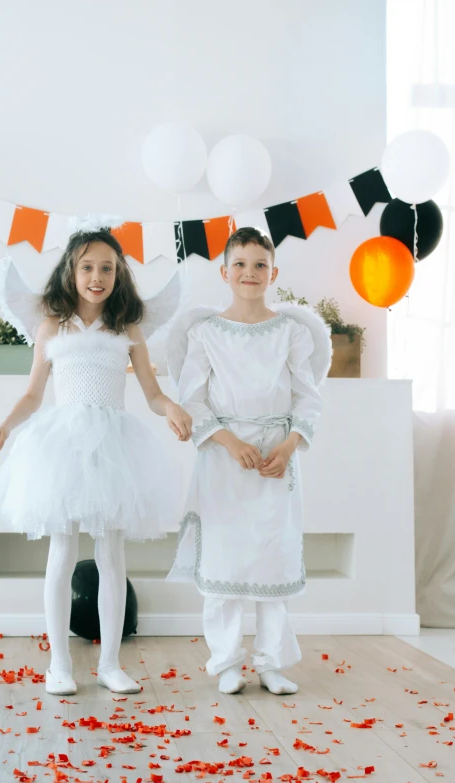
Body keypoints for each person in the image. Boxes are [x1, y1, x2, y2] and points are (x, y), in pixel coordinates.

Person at [0, 219, 192, 696]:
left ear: (118, 274)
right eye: (87, 267)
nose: (97, 276)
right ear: (71, 272)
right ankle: (59, 663)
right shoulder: (52, 324)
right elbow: (34, 395)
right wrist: (4, 427)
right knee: (62, 551)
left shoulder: (128, 326)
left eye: (108, 268)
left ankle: (110, 663)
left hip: (115, 447)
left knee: (112, 555)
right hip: (63, 447)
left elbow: (152, 393)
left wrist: (171, 408)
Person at [167, 226, 331, 695]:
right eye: (240, 264)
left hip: (275, 460)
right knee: (226, 558)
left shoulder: (291, 332)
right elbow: (193, 399)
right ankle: (226, 662)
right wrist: (229, 442)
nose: (250, 273)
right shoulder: (205, 333)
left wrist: (288, 446)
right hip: (224, 462)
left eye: (260, 264)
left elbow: (308, 398)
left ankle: (272, 662)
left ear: (273, 272)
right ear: (224, 272)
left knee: (271, 557)